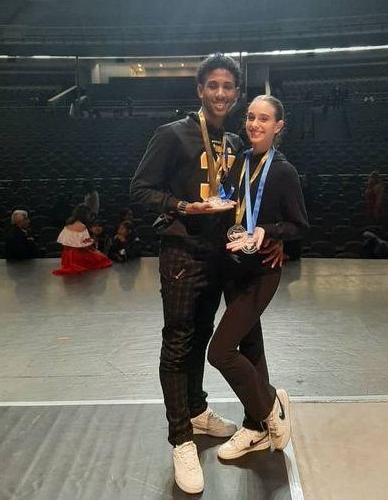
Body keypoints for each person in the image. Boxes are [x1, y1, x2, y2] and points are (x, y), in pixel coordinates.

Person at [130, 54, 282, 495]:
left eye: (228, 87)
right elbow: (139, 190)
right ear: (200, 90)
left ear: (236, 94)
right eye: (212, 85)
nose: (220, 93)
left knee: (201, 336)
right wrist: (181, 207)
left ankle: (196, 410)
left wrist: (274, 235)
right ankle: (181, 440)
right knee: (178, 343)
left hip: (221, 257)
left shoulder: (235, 141)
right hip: (182, 255)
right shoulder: (172, 135)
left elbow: (261, 194)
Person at [207, 95, 308, 462]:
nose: (254, 124)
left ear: (278, 126)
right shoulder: (240, 162)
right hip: (234, 269)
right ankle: (255, 427)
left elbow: (299, 225)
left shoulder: (283, 171)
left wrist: (270, 232)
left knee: (219, 352)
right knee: (251, 349)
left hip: (262, 272)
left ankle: (268, 410)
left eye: (264, 119)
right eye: (250, 117)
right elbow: (233, 202)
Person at [52, 204, 112, 275]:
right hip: (78, 255)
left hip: (66, 256)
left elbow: (64, 242)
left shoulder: (68, 224)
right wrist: (92, 242)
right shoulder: (82, 226)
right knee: (102, 259)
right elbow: (84, 244)